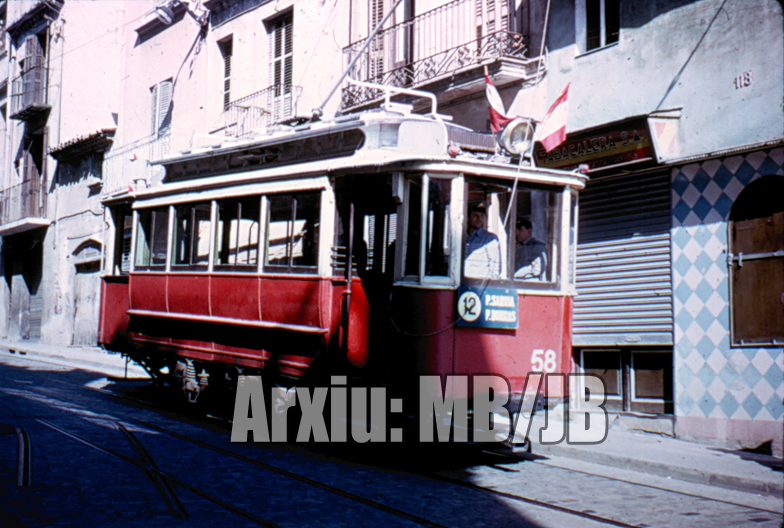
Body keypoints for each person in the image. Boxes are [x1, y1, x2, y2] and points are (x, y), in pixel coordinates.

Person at [464, 202, 501, 279]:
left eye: (481, 216)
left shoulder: (490, 239)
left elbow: (495, 270)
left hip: (479, 286)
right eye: (475, 215)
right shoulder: (462, 238)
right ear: (468, 218)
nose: (479, 219)